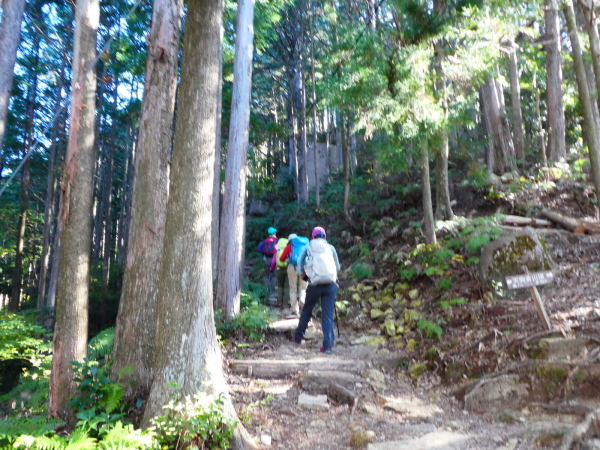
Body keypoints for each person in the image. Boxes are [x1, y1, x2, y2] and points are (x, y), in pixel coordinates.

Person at [294, 226, 341, 354]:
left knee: (307, 311)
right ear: (325, 236)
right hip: (330, 285)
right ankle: (328, 346)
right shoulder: (330, 248)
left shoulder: (309, 246)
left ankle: (298, 337)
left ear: (313, 236)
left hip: (314, 284)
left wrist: (302, 273)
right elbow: (338, 266)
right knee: (327, 315)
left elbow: (299, 260)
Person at [279, 233, 309, 317]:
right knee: (303, 289)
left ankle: (295, 310)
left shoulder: (290, 245)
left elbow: (282, 258)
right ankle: (302, 302)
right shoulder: (306, 244)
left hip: (292, 267)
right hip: (304, 268)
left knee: (293, 289)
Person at [271, 237, 290, 307]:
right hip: (288, 269)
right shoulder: (288, 250)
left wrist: (272, 269)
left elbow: (273, 261)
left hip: (279, 269)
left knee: (280, 285)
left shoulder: (277, 251)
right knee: (287, 286)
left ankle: (279, 302)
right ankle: (285, 302)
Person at [258, 227, 278, 294]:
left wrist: (264, 254)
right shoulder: (277, 240)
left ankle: (266, 289)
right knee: (274, 275)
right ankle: (272, 290)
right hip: (275, 260)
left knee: (266, 275)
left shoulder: (266, 241)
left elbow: (259, 248)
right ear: (275, 233)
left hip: (267, 259)